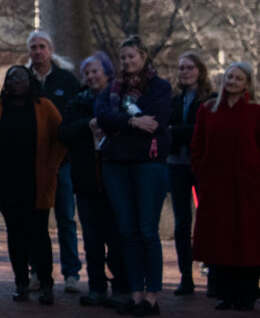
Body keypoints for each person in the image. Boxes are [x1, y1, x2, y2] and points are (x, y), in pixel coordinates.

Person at [0, 65, 66, 305]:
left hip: (38, 181)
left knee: (39, 235)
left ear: (30, 82)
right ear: (6, 82)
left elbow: (61, 138)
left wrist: (53, 166)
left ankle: (46, 284)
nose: (18, 83)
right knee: (15, 235)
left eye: (23, 79)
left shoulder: (45, 107)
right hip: (6, 182)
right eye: (13, 79)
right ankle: (21, 283)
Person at [95, 35, 172, 316]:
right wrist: (131, 121)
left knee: (147, 231)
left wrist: (123, 124)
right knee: (126, 232)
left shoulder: (160, 87)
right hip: (115, 164)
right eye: (123, 57)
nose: (127, 62)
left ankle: (152, 295)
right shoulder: (111, 88)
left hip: (148, 165)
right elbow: (102, 116)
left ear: (144, 56)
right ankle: (135, 294)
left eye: (132, 56)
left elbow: (155, 121)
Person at [59, 52, 129, 308]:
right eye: (86, 73)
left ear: (108, 72)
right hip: (86, 178)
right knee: (91, 238)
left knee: (117, 236)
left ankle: (122, 286)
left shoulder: (121, 99)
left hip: (116, 177)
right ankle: (96, 286)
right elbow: (64, 133)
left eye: (95, 71)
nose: (90, 77)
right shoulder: (77, 102)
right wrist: (86, 125)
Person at [191, 62, 260, 311]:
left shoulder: (255, 111)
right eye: (230, 77)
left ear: (247, 83)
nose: (232, 81)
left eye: (238, 78)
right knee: (220, 237)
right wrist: (201, 169)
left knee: (247, 238)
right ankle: (225, 293)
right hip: (215, 185)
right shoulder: (208, 109)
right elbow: (197, 144)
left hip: (248, 186)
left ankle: (248, 294)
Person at [26, 30, 82, 294]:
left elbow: (76, 115)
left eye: (42, 46)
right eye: (34, 47)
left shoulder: (66, 80)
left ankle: (71, 273)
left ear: (51, 50)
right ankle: (36, 270)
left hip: (63, 161)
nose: (38, 51)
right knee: (36, 219)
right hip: (32, 162)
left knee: (66, 218)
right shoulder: (22, 80)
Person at [168, 51, 212, 296]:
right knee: (181, 223)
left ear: (200, 70)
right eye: (181, 68)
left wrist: (176, 130)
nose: (185, 72)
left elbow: (200, 131)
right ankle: (186, 277)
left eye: (189, 68)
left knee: (208, 218)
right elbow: (167, 129)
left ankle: (214, 272)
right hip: (176, 164)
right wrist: (177, 131)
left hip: (202, 165)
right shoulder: (175, 99)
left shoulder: (210, 100)